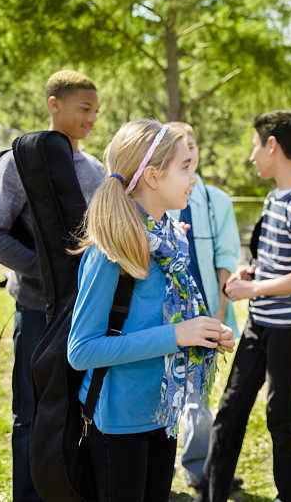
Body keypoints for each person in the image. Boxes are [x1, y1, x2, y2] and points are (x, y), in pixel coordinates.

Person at [67, 120, 235, 501]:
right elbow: (81, 351)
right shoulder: (112, 249)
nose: (194, 177)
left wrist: (203, 333)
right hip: (118, 423)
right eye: (185, 167)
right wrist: (178, 335)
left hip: (162, 412)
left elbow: (166, 319)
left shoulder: (171, 239)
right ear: (154, 176)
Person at [0, 69, 105, 502]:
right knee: (33, 412)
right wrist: (45, 269)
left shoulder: (95, 168)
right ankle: (29, 495)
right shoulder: (20, 163)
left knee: (79, 408)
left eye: (96, 110)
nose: (92, 118)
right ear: (54, 105)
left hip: (87, 312)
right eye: (83, 108)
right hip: (37, 312)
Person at [199, 110, 291, 502]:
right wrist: (251, 272)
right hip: (261, 324)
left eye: (255, 146)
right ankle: (209, 496)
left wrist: (254, 290)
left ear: (272, 145)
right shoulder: (275, 198)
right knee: (231, 409)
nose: (252, 156)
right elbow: (281, 264)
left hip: (290, 329)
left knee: (280, 418)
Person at [165, 122, 242, 491]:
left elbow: (226, 260)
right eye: (180, 146)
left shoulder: (216, 201)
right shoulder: (156, 199)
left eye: (192, 145)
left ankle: (200, 468)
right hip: (164, 319)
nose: (189, 153)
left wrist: (217, 312)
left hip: (206, 312)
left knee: (198, 394)